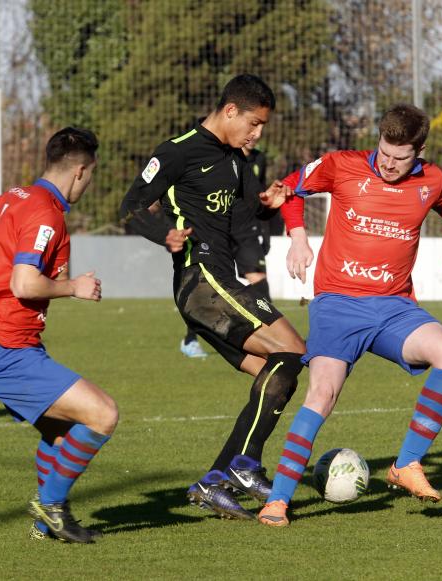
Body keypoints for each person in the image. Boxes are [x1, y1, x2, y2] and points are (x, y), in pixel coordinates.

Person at [258, 103, 442, 527]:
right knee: (321, 395)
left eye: (402, 158)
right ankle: (279, 501)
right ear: (378, 140)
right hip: (337, 305)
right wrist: (299, 239)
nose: (390, 164)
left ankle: (406, 465)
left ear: (419, 152)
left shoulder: (432, 180)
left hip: (393, 306)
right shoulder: (342, 165)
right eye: (385, 153)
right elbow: (291, 189)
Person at [120, 74, 306, 520]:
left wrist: (270, 203)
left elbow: (244, 214)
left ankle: (215, 482)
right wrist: (163, 232)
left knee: (277, 373)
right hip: (201, 278)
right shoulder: (178, 150)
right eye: (255, 123)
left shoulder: (237, 160)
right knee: (294, 349)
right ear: (229, 111)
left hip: (217, 283)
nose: (257, 134)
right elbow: (130, 206)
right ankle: (246, 465)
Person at [0, 127, 118, 544]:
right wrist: (72, 287)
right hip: (5, 349)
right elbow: (26, 284)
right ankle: (52, 506)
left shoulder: (13, 197)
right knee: (102, 414)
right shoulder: (46, 214)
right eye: (91, 173)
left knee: (58, 434)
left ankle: (46, 524)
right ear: (80, 170)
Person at [179, 138, 272, 359]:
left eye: (259, 128)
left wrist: (265, 229)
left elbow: (260, 196)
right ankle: (190, 339)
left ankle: (268, 334)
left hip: (247, 228)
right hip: (220, 227)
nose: (255, 134)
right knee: (212, 287)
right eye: (251, 127)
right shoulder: (222, 156)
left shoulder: (260, 158)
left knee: (259, 278)